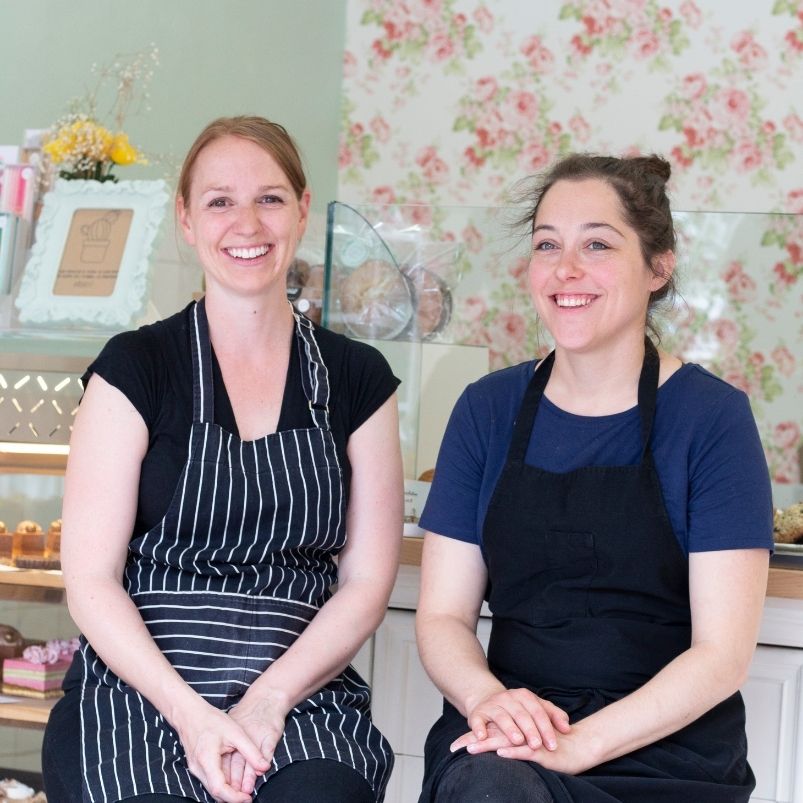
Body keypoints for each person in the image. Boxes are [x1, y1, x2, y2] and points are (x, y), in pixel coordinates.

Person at [42, 116, 403, 803]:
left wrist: (267, 702)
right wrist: (191, 715)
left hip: (300, 697)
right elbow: (91, 578)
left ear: (301, 209)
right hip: (139, 695)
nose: (247, 222)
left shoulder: (358, 378)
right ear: (185, 219)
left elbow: (364, 583)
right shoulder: (135, 367)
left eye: (269, 198)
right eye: (219, 201)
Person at [415, 154, 773, 802]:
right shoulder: (485, 409)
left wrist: (577, 744)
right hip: (508, 742)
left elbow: (721, 655)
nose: (564, 268)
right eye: (546, 244)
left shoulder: (711, 419)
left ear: (657, 266)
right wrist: (488, 699)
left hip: (667, 758)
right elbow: (441, 614)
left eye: (596, 244)